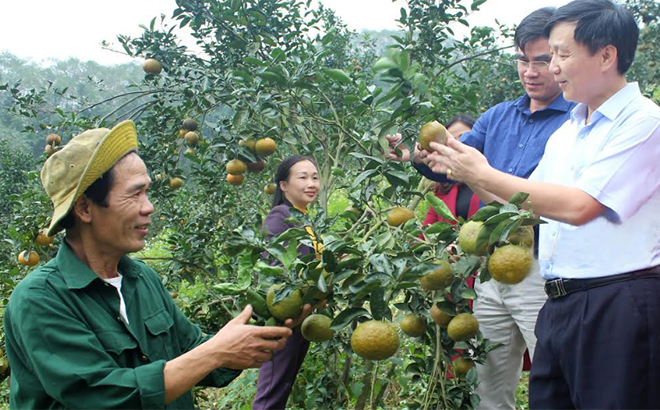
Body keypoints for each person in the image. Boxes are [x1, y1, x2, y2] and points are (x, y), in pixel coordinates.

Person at [425, 0, 660, 408]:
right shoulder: (568, 133)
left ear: (606, 55)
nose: (552, 67)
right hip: (560, 303)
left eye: (562, 55)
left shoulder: (643, 123)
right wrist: (463, 170)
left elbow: (579, 207)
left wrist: (482, 173)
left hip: (617, 301)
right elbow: (520, 206)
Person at [3, 120, 295, 409]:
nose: (149, 206)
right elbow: (105, 397)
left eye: (147, 192)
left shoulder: (141, 278)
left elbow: (192, 350)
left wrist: (274, 316)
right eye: (135, 193)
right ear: (84, 208)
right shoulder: (40, 299)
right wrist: (216, 352)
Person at [387, 8, 575, 409]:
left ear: (561, 58)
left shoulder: (577, 120)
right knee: (487, 381)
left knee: (554, 376)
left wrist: (479, 174)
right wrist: (416, 156)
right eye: (523, 60)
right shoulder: (500, 116)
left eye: (541, 60)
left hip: (545, 267)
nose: (531, 71)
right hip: (491, 269)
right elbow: (453, 161)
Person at [253, 155, 321, 410]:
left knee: (281, 386)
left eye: (314, 177)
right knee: (271, 391)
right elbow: (274, 266)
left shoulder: (305, 219)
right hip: (284, 316)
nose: (311, 183)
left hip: (301, 317)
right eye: (302, 177)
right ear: (283, 185)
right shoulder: (279, 216)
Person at [420, 114, 480, 226]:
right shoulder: (444, 189)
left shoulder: (492, 178)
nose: (458, 143)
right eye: (450, 140)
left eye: (464, 137)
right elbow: (423, 234)